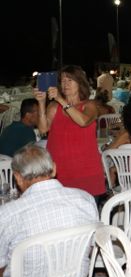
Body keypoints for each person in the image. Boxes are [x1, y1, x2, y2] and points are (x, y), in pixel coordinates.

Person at [0, 145, 99, 277]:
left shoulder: (7, 213)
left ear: (17, 177)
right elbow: (92, 247)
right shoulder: (85, 199)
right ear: (53, 169)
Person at [34, 65, 106, 198]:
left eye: (70, 80)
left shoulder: (89, 105)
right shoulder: (54, 107)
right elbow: (43, 129)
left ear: (80, 83)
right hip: (59, 172)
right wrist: (41, 103)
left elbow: (83, 121)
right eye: (63, 80)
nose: (65, 84)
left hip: (86, 172)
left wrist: (61, 100)